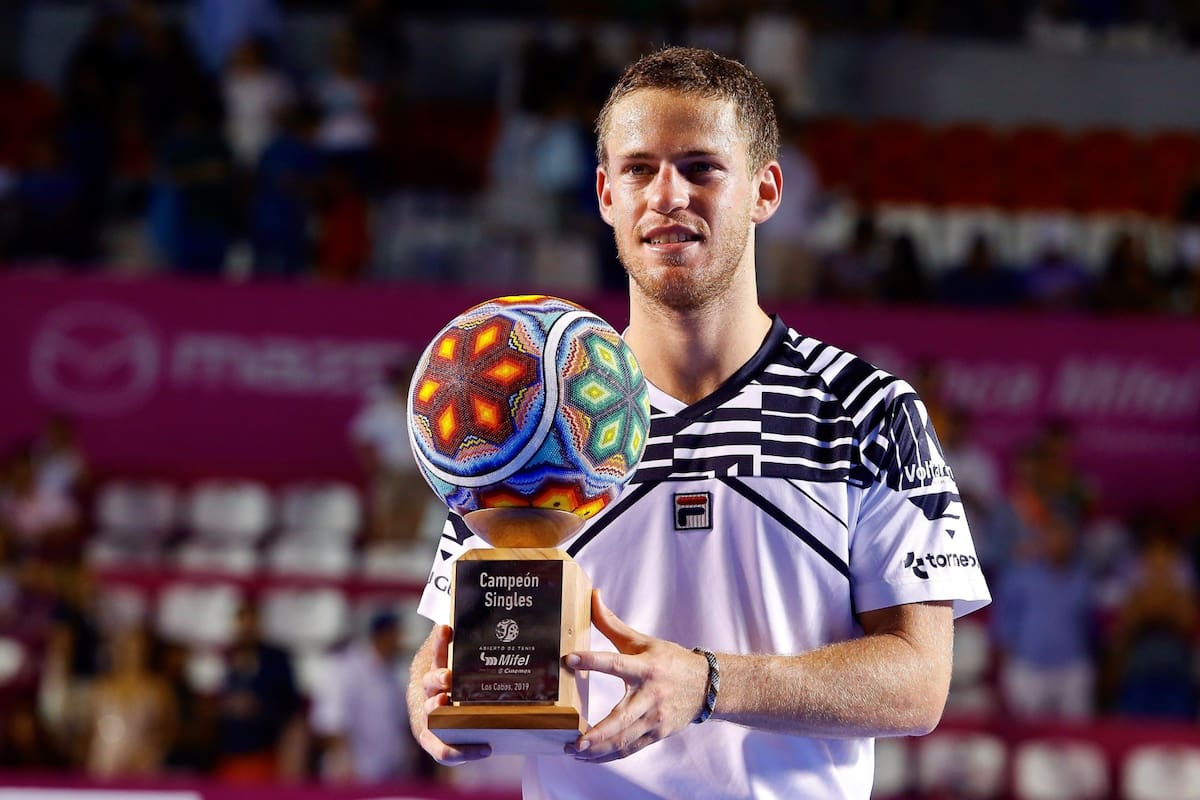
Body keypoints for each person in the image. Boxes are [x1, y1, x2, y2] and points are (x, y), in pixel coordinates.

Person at [408, 46, 991, 799]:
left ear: (765, 189)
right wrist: (434, 697)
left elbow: (919, 683)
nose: (667, 195)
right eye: (639, 168)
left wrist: (708, 682)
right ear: (605, 193)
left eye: (701, 167)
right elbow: (450, 640)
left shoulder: (868, 408)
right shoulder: (530, 407)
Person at [310, 609, 416, 783]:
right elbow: (330, 721)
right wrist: (345, 762)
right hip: (352, 775)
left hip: (389, 775)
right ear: (385, 635)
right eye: (397, 635)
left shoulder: (393, 674)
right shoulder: (345, 667)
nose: (400, 642)